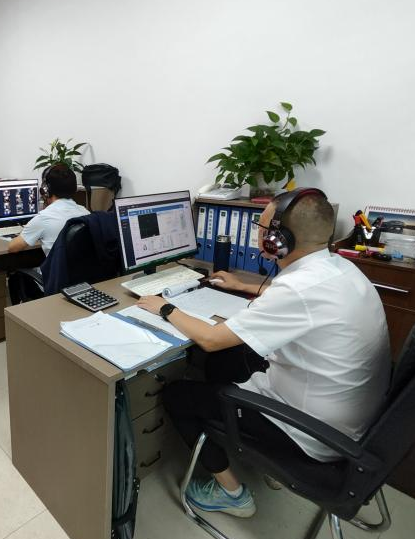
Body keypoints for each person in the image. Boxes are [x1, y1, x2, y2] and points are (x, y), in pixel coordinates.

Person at [137, 188, 391, 519]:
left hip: (310, 433)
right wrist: (244, 286)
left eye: (262, 227)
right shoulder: (340, 269)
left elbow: (211, 339)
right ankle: (247, 448)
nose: (259, 234)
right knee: (226, 361)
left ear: (278, 240)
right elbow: (302, 299)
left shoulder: (296, 288)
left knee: (179, 394)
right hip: (348, 423)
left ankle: (232, 493)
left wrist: (165, 307)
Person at [8, 165, 89, 256]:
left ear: (46, 190)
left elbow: (12, 247)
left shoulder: (44, 217)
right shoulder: (86, 213)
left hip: (57, 265)